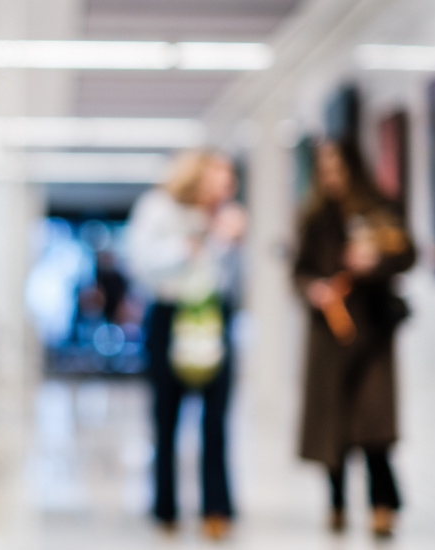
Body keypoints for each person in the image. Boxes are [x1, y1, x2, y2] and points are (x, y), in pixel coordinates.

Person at [292, 139, 416, 537]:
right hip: (330, 328)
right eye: (325, 170)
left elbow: (407, 254)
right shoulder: (314, 218)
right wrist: (314, 288)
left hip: (373, 327)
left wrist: (374, 262)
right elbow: (299, 270)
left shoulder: (380, 210)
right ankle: (336, 502)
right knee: (333, 421)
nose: (331, 177)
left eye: (338, 168)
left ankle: (382, 502)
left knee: (373, 421)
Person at [127, 149, 247, 539]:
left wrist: (231, 243)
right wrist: (189, 245)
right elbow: (141, 265)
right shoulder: (158, 208)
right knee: (166, 417)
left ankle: (217, 508)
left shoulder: (227, 215)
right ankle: (165, 507)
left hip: (212, 316)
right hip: (169, 313)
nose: (226, 184)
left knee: (216, 419)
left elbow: (236, 279)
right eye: (220, 175)